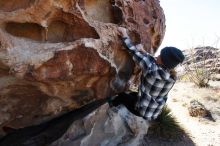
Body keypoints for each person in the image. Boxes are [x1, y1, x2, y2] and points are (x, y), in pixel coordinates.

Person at [109, 27, 185, 121]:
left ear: (164, 61)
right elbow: (153, 61)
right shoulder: (172, 76)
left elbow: (134, 52)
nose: (157, 56)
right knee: (132, 94)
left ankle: (110, 105)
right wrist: (144, 51)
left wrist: (124, 35)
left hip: (141, 110)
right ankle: (123, 102)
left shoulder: (153, 70)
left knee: (121, 95)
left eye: (160, 56)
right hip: (153, 111)